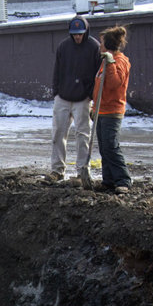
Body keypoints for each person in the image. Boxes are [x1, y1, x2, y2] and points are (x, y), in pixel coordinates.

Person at [49, 15, 102, 184]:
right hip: (63, 96)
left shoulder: (94, 47)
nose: (77, 37)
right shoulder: (64, 47)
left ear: (85, 32)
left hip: (83, 99)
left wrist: (90, 95)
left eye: (80, 34)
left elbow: (97, 74)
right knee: (58, 133)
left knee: (83, 135)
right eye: (74, 34)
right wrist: (56, 91)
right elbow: (57, 70)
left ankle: (82, 171)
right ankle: (57, 170)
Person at [90, 26, 131, 193]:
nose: (99, 45)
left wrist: (112, 63)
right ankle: (108, 180)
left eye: (101, 42)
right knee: (104, 147)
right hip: (102, 110)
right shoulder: (104, 61)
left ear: (108, 44)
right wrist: (94, 107)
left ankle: (123, 180)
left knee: (111, 146)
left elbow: (115, 84)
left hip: (113, 111)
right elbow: (99, 88)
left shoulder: (120, 61)